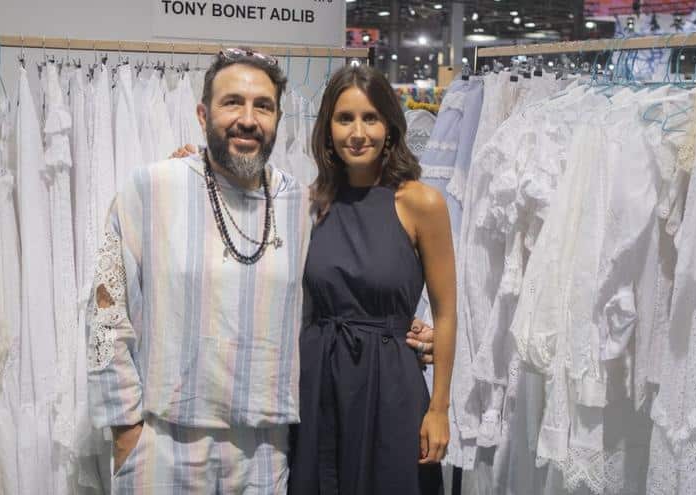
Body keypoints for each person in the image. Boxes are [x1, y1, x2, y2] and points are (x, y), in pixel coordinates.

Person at [87, 48, 435, 494]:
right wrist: (125, 428)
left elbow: (337, 289)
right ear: (202, 114)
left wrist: (409, 332)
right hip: (165, 443)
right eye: (232, 102)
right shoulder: (152, 188)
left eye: (263, 106)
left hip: (265, 453)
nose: (248, 119)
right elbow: (107, 314)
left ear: (278, 120)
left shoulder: (303, 204)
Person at [288, 65, 457, 495]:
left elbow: (446, 312)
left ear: (390, 127)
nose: (358, 133)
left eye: (371, 118)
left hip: (391, 384)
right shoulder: (312, 203)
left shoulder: (421, 203)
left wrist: (439, 409)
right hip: (319, 379)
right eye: (345, 119)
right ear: (328, 129)